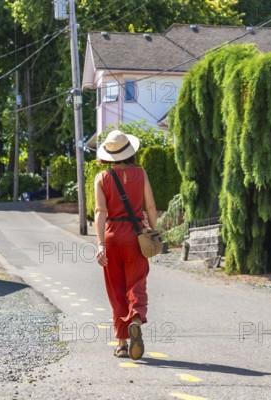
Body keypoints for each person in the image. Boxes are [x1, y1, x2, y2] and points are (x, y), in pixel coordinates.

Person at [94, 130, 157, 360]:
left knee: (116, 291)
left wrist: (100, 244)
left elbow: (100, 212)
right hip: (135, 235)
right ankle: (137, 319)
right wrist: (151, 230)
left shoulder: (102, 178)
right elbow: (150, 207)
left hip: (111, 236)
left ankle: (121, 344)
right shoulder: (141, 173)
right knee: (137, 284)